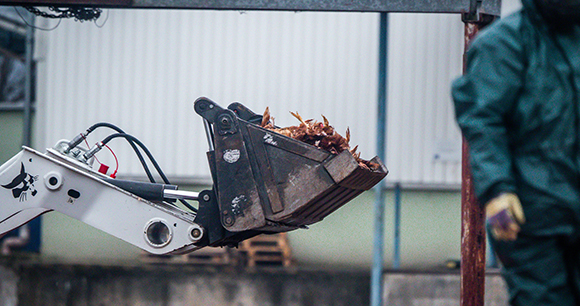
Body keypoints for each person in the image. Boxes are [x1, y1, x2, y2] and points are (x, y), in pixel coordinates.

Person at [452, 0, 580, 305]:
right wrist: (497, 190)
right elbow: (483, 121)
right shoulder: (504, 43)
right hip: (531, 210)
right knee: (543, 299)